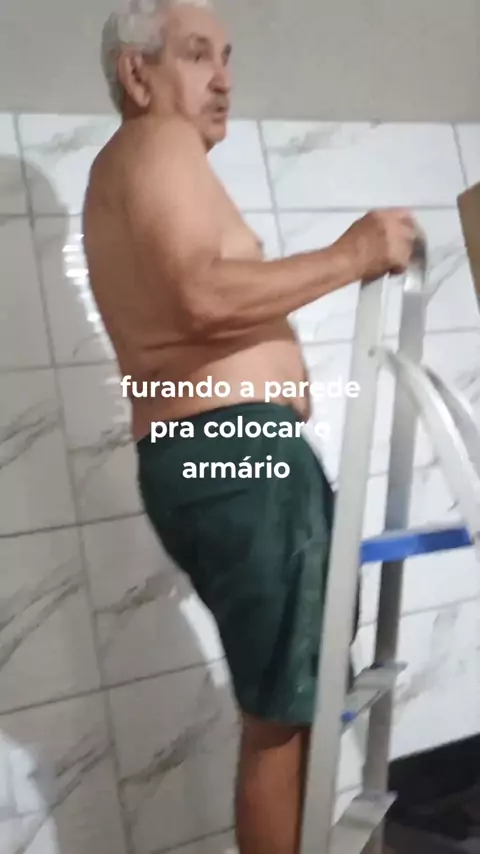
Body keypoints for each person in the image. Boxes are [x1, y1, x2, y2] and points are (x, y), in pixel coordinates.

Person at [82, 2, 419, 851]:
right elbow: (201, 296)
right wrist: (353, 254)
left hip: (226, 455)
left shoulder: (146, 166)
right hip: (233, 451)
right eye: (198, 54)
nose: (225, 78)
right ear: (137, 73)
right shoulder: (156, 143)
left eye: (227, 56)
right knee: (281, 715)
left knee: (295, 703)